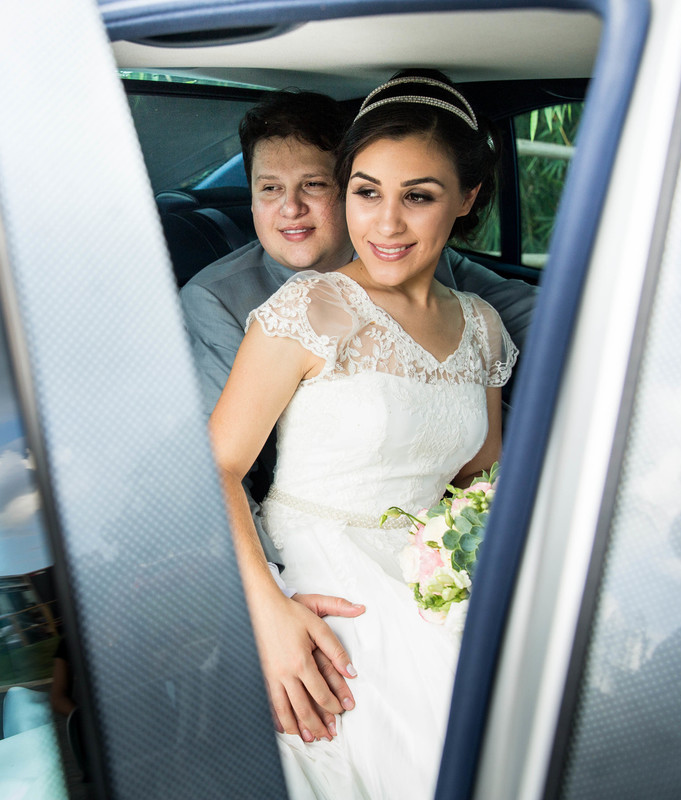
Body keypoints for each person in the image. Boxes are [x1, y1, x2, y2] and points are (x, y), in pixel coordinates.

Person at [179, 87, 535, 745]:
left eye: (418, 196)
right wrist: (265, 610)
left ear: (467, 198)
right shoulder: (305, 306)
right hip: (320, 576)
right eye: (368, 193)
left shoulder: (482, 324)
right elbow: (214, 467)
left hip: (427, 577)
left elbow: (480, 487)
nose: (387, 223)